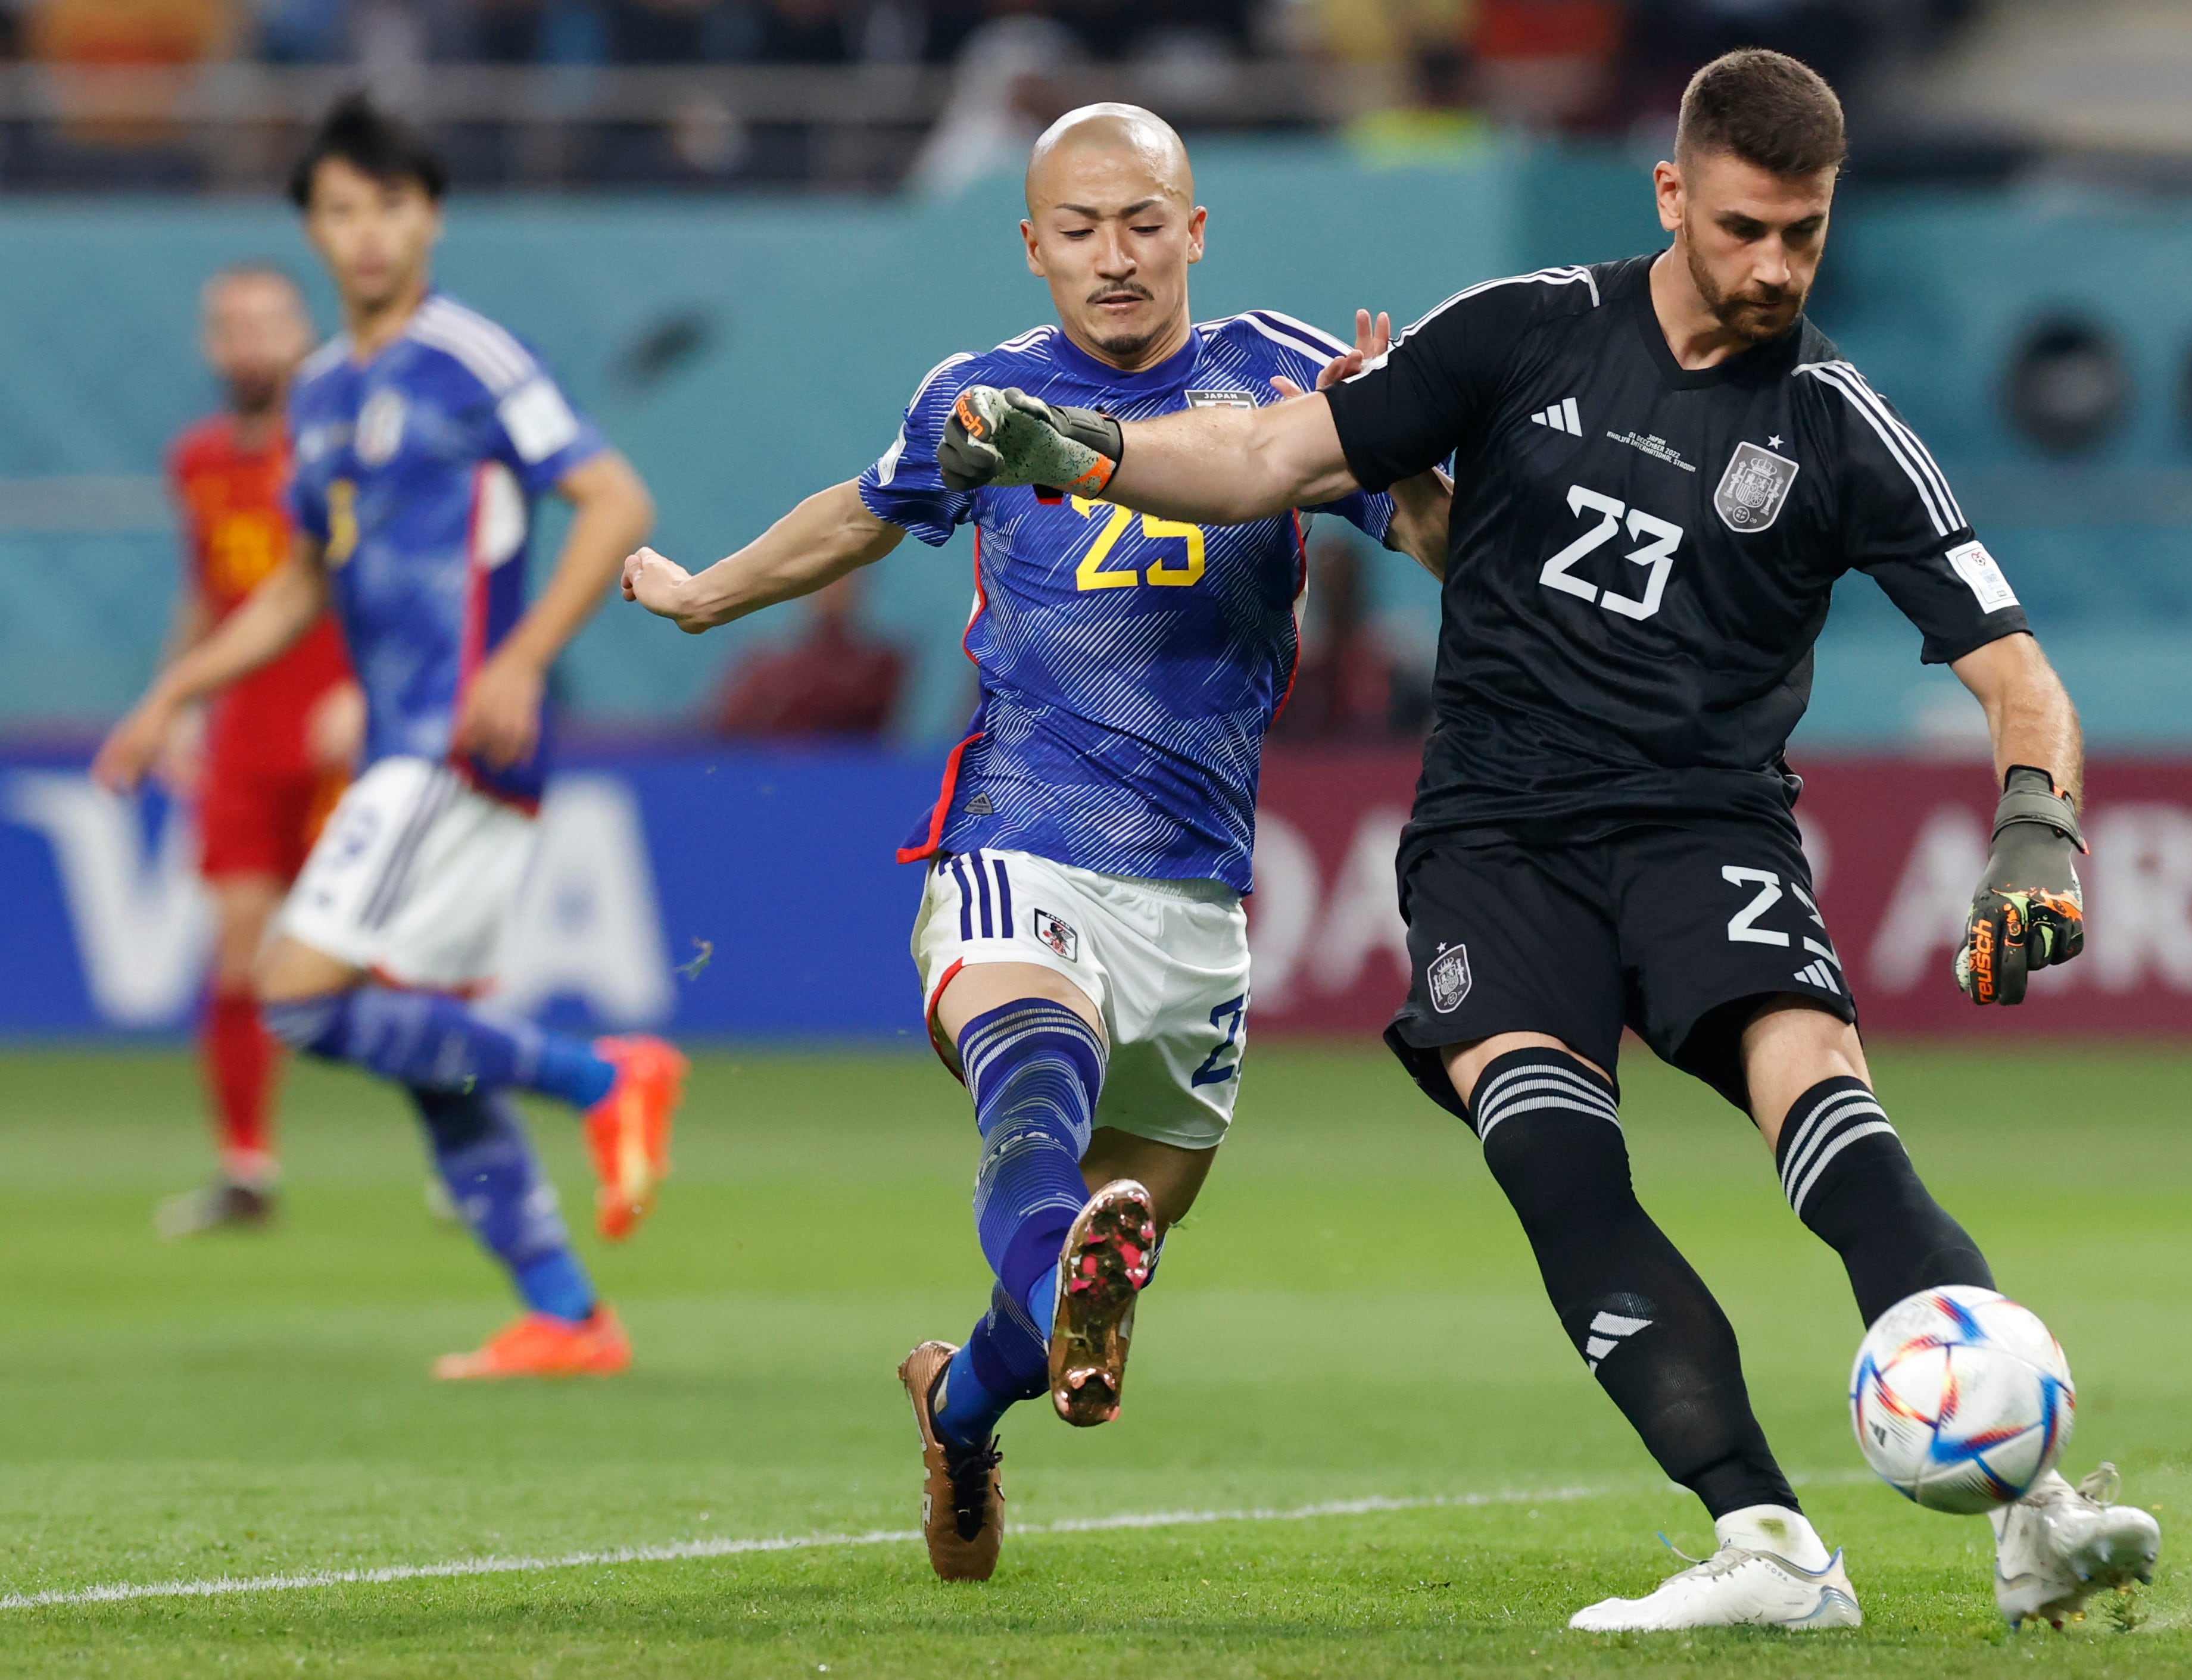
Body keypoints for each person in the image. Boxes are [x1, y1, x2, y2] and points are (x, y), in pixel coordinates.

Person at [934, 49, 2162, 1634]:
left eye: (1804, 233)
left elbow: (2018, 673)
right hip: (1496, 846)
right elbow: (1270, 456)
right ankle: (1769, 1544)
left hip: (1706, 832)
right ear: (1671, 196)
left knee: (1839, 1132)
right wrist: (1083, 451)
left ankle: (2037, 1509)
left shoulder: (1840, 427)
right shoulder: (1519, 332)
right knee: (1558, 1161)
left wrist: (2038, 831)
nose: (1776, 265)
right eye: (1743, 229)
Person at [620, 102, 1450, 1582]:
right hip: (1020, 833)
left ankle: (956, 1401)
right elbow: (864, 517)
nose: (1113, 257)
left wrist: (1393, 425)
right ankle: (1056, 1267)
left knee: (1081, 1262)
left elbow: (1449, 549)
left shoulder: (1281, 373)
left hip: (1196, 891)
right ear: (1031, 244)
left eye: (1143, 224)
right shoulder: (984, 394)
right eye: (1079, 230)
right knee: (1034, 1105)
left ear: (1194, 230)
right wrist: (705, 597)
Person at [92, 94, 687, 1381]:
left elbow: (613, 497)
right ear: (314, 226)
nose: (367, 235)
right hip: (404, 751)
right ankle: (569, 1314)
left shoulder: (470, 357)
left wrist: (525, 660)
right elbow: (304, 582)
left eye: (391, 207)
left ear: (431, 217)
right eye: (342, 210)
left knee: (299, 994)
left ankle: (605, 1074)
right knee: (422, 1053)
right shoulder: (318, 391)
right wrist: (174, 690)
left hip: (451, 736)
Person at [151, 263, 363, 1239]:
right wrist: (177, 702)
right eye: (230, 326)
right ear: (209, 344)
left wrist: (365, 687)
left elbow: (386, 580)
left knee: (393, 953)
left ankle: (476, 1160)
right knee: (237, 948)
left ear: (300, 335)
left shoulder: (339, 448)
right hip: (244, 735)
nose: (248, 343)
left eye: (265, 324)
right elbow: (204, 592)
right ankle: (246, 1166)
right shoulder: (195, 459)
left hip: (341, 727)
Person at [707, 570, 908, 739]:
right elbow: (725, 733)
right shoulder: (765, 667)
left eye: (841, 579)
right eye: (823, 581)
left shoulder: (879, 666)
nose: (832, 590)